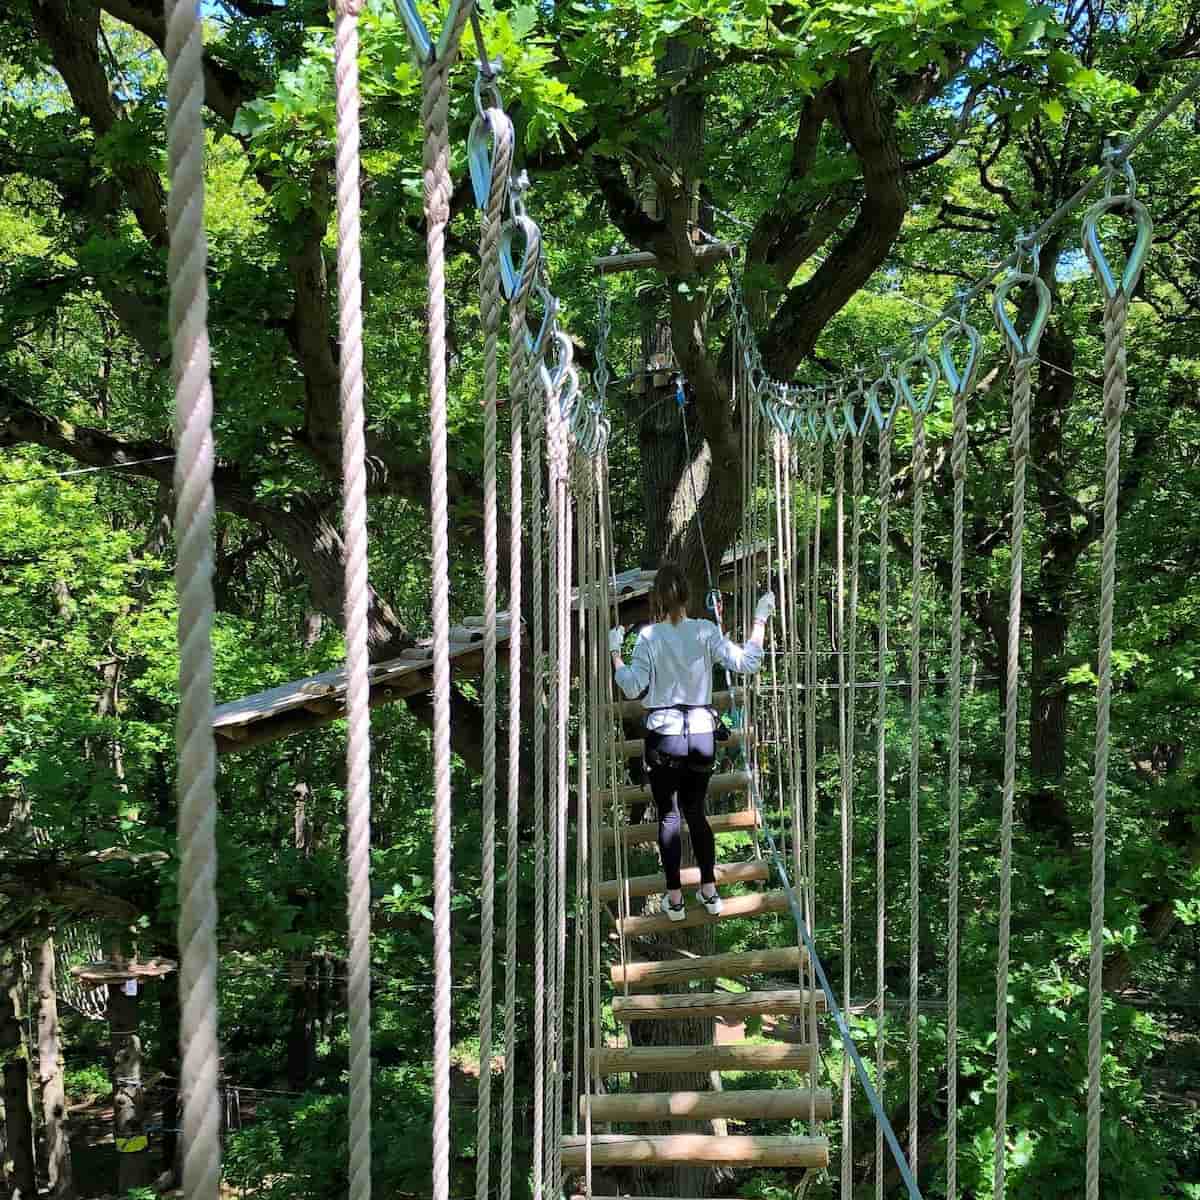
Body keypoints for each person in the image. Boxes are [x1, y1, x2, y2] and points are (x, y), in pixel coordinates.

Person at [609, 563, 775, 922]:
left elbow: (632, 686)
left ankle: (674, 900)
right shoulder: (704, 631)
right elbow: (748, 662)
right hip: (700, 735)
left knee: (669, 815)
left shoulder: (650, 637)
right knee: (697, 813)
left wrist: (615, 653)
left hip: (664, 737)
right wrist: (760, 619)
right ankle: (710, 891)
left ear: (656, 598)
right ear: (686, 595)